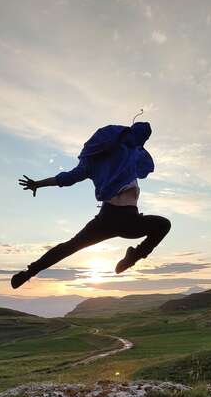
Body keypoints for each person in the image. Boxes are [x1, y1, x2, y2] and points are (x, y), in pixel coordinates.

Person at [11, 120, 171, 288]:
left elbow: (66, 179)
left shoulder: (99, 160)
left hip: (106, 219)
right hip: (128, 221)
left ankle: (28, 273)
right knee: (164, 225)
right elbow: (143, 131)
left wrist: (38, 184)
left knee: (70, 246)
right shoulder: (130, 153)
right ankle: (134, 256)